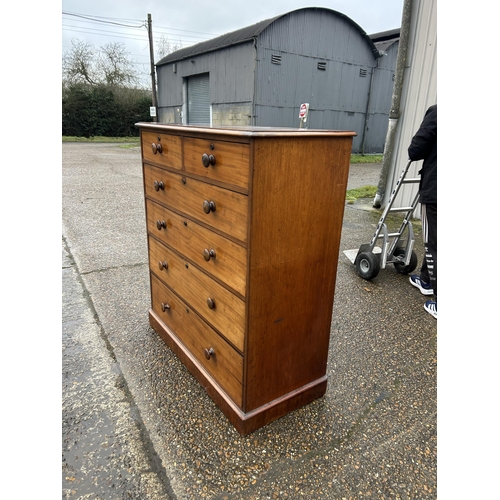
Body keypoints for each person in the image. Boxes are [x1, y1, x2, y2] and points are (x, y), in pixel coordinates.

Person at [407, 104, 437, 319]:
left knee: (435, 243)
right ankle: (426, 280)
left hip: (437, 191)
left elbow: (415, 150)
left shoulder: (439, 112)